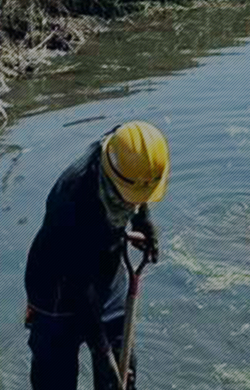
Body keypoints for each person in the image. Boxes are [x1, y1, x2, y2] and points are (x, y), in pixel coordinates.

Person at [24, 121, 168, 390]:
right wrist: (101, 353)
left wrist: (142, 220)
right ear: (111, 174)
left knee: (122, 379)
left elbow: (138, 184)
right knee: (56, 379)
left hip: (107, 270)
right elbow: (80, 285)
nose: (133, 202)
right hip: (57, 288)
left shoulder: (125, 146)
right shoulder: (73, 200)